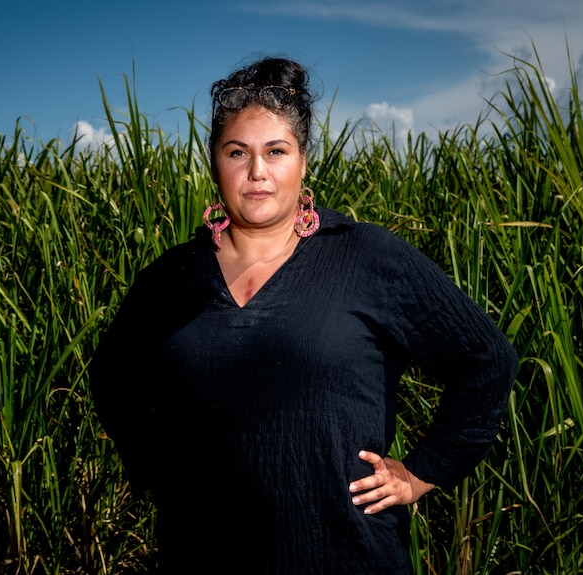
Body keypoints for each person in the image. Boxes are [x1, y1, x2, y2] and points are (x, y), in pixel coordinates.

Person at [89, 57, 519, 574]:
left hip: (345, 557)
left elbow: (486, 359)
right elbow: (113, 378)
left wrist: (422, 473)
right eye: (236, 152)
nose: (257, 172)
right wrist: (161, 470)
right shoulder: (170, 278)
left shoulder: (366, 257)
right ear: (213, 162)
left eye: (276, 151)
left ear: (303, 161)